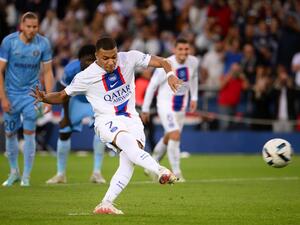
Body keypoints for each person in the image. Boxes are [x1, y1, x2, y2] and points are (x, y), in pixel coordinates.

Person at [31, 36, 182, 215]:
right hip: (106, 120)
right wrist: (45, 97)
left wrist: (170, 75)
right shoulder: (85, 76)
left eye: (114, 57)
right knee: (129, 144)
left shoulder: (129, 58)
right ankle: (160, 170)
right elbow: (63, 95)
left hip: (132, 119)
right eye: (105, 58)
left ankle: (106, 203)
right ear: (97, 56)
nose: (111, 62)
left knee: (128, 162)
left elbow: (163, 62)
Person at [0, 12, 54, 187]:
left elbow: (47, 72)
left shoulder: (44, 44)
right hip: (11, 95)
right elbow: (0, 70)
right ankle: (14, 171)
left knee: (30, 133)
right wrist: (3, 98)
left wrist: (48, 98)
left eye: (35, 26)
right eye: (28, 26)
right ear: (21, 26)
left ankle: (26, 177)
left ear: (38, 27)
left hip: (32, 95)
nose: (32, 30)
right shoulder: (9, 42)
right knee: (10, 133)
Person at [46, 44, 106, 184]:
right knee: (64, 132)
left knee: (101, 133)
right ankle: (60, 174)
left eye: (92, 60)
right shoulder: (71, 69)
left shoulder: (103, 69)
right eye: (86, 60)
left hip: (95, 102)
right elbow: (63, 91)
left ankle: (97, 172)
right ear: (79, 60)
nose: (89, 63)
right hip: (75, 100)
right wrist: (66, 117)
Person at [141, 38, 199, 182]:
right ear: (174, 50)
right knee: (174, 135)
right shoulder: (167, 64)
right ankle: (177, 172)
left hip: (181, 106)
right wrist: (145, 108)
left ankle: (151, 163)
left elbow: (194, 78)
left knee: (170, 136)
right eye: (180, 49)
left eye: (186, 49)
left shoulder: (194, 62)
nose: (184, 52)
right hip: (165, 105)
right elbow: (152, 86)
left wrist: (194, 98)